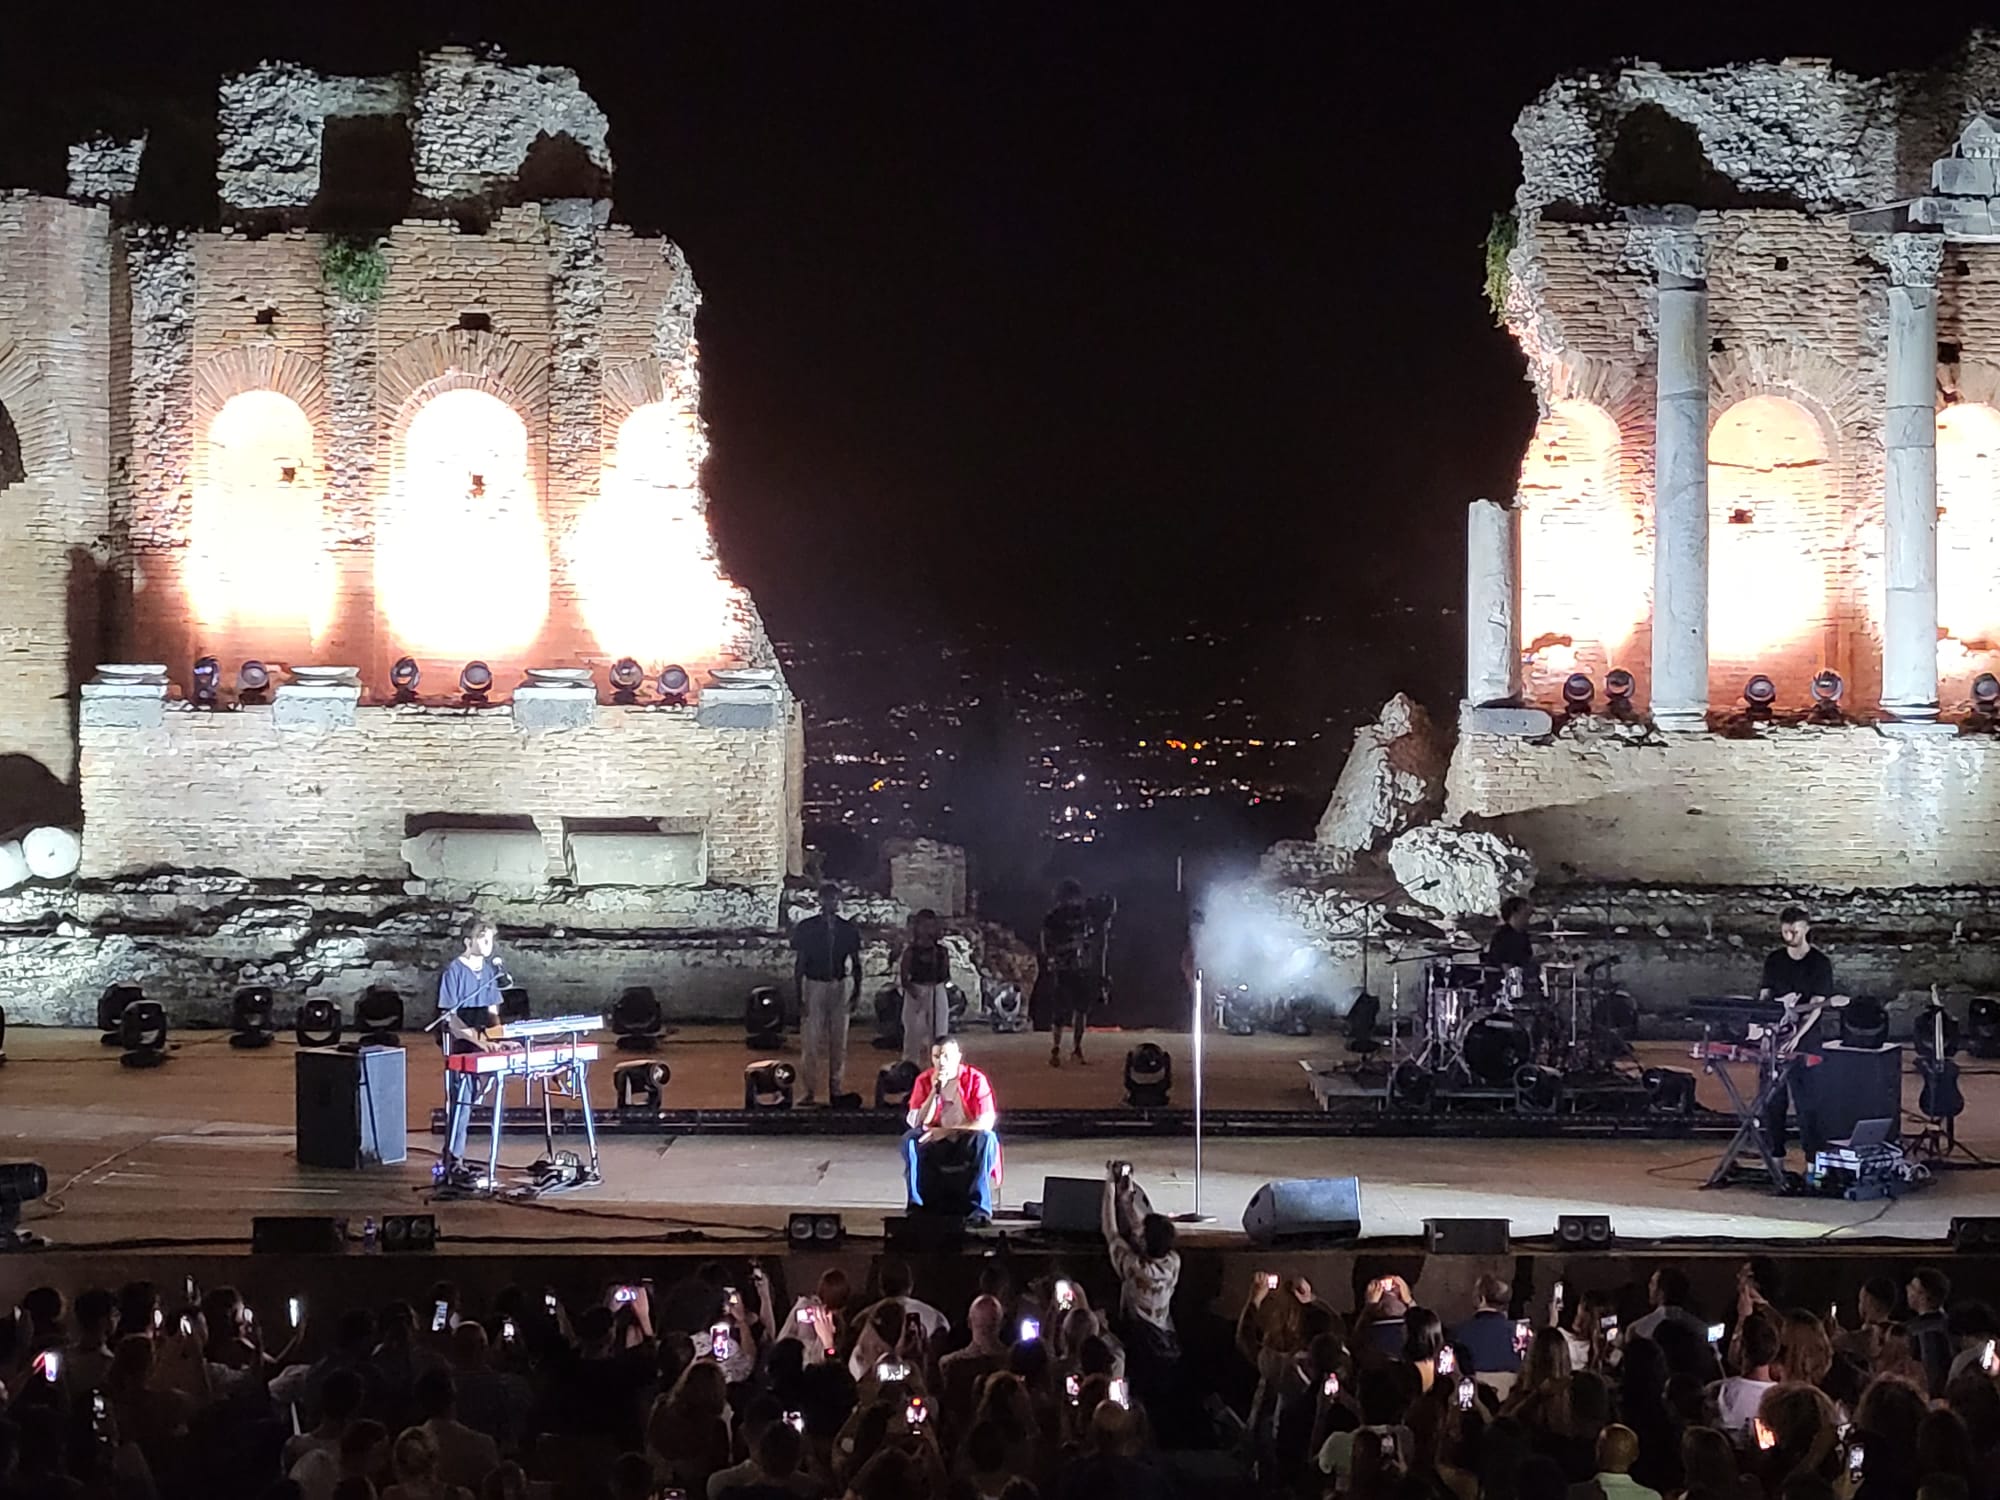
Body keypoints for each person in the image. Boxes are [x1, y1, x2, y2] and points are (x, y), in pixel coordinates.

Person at [434, 914, 514, 1188]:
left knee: (482, 1097)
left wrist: (500, 1039)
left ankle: (467, 1158)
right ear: (468, 941)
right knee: (461, 1103)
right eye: (483, 938)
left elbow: (493, 1011)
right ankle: (453, 1160)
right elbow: (450, 1017)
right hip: (462, 1044)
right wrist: (480, 1041)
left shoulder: (492, 972)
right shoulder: (454, 972)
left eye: (491, 938)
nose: (489, 944)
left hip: (483, 1042)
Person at [902, 1038, 1000, 1226]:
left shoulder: (975, 1079)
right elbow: (917, 1121)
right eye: (937, 1056)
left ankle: (980, 1209)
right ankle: (916, 1205)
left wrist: (947, 1131)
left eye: (947, 1056)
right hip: (935, 1139)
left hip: (965, 1136)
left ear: (958, 1058)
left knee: (988, 1139)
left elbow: (986, 1122)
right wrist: (934, 1092)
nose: (942, 1061)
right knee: (910, 1140)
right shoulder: (924, 1080)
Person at [1100, 1162, 1181, 1383]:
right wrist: (1127, 1199)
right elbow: (1141, 1233)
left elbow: (1111, 1232)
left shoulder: (1134, 1268)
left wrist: (1109, 1186)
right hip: (1162, 1341)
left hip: (1138, 1346)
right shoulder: (1173, 1262)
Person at [791, 883, 862, 1107]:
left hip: (839, 983)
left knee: (838, 1041)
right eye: (827, 898)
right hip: (814, 984)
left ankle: (835, 1089)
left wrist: (856, 991)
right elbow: (800, 963)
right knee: (811, 1041)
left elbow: (856, 962)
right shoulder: (807, 927)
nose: (831, 903)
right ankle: (809, 1090)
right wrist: (799, 995)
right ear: (820, 901)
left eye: (834, 899)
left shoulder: (847, 929)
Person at [1040, 880, 1109, 1067]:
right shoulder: (1053, 917)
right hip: (1063, 967)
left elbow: (1094, 934)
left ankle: (1077, 1049)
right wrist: (1059, 954)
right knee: (1060, 1011)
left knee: (1081, 1009)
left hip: (1082, 968)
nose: (1073, 901)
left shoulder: (1083, 914)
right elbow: (1047, 944)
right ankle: (1055, 1048)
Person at [898, 909, 953, 1068]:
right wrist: (913, 990)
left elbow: (945, 974)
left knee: (939, 1031)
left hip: (937, 990)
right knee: (913, 1033)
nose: (928, 930)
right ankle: (909, 1068)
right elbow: (904, 975)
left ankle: (938, 1068)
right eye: (924, 926)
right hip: (916, 991)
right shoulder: (911, 951)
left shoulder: (941, 951)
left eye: (931, 926)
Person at [1630, 1269, 1707, 1346]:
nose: (1649, 1287)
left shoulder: (1637, 1329)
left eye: (1652, 1283)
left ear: (1661, 1292)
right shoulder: (1700, 1328)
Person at [1486, 895, 1538, 974]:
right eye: (1524, 910)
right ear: (1515, 913)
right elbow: (1505, 965)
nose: (1528, 914)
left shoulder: (1523, 935)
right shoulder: (1503, 936)